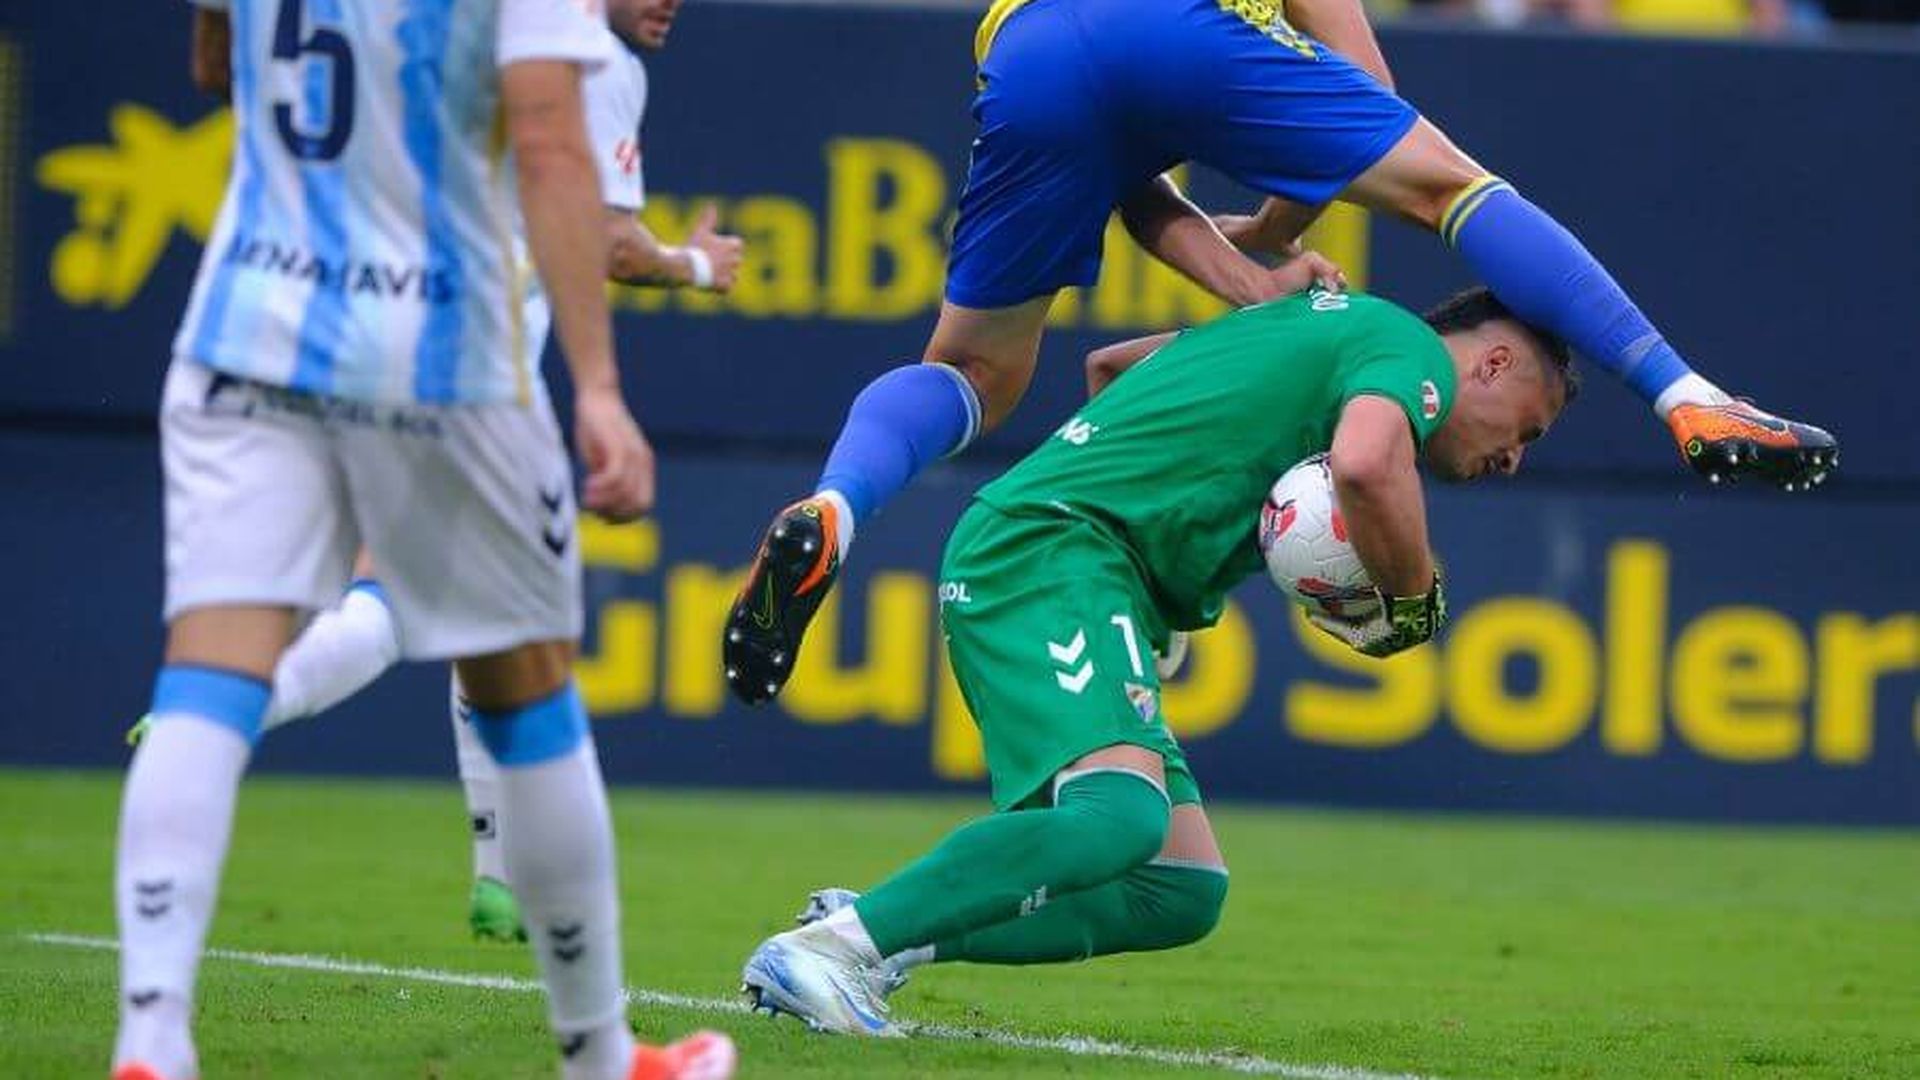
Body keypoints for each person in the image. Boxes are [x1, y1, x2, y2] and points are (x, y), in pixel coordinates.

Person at [719, 0, 1835, 707]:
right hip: (1186, 27)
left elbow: (1131, 185)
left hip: (1027, 46)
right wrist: (1278, 224)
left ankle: (836, 508)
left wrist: (1253, 276)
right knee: (1452, 189)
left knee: (974, 373)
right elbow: (1368, 99)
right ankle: (1684, 393)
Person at [110, 2, 733, 1079]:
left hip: (249, 323)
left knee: (208, 678)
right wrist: (597, 387)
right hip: (440, 347)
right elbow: (548, 142)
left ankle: (152, 1043)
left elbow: (216, 59)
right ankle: (600, 1056)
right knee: (528, 693)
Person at [738, 285, 1573, 1034]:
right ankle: (832, 949)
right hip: (1052, 550)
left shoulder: (1317, 328)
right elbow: (1363, 465)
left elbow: (1110, 366)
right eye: (1527, 429)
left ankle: (886, 933)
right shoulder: (1407, 348)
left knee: (1178, 887)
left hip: (1085, 566)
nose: (1515, 458)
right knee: (1120, 817)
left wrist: (1151, 584)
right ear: (1494, 361)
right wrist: (1415, 595)